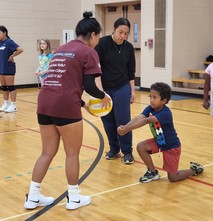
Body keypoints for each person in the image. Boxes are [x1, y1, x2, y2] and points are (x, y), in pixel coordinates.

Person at [24, 12, 111, 210]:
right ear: (92, 35)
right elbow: (90, 86)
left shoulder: (61, 49)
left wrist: (83, 105)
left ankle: (33, 197)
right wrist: (103, 96)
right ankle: (73, 198)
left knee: (47, 152)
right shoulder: (89, 52)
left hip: (44, 102)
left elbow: (60, 84)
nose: (98, 40)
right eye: (98, 36)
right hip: (65, 106)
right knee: (72, 154)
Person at [117, 82, 204, 183]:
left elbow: (145, 120)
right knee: (141, 147)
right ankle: (152, 172)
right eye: (151, 97)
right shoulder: (150, 108)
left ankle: (194, 169)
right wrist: (125, 126)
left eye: (155, 98)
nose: (151, 100)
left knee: (173, 178)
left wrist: (127, 129)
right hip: (159, 142)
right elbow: (139, 117)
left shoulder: (165, 113)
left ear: (164, 100)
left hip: (171, 147)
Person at [95, 17, 136, 164]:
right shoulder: (102, 44)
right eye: (120, 32)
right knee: (108, 121)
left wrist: (132, 91)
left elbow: (131, 71)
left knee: (123, 121)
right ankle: (114, 149)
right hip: (105, 89)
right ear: (114, 29)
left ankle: (127, 151)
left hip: (122, 88)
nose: (123, 36)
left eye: (126, 33)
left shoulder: (129, 47)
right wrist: (100, 93)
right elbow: (96, 71)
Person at [0, 26, 23, 113]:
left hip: (8, 67)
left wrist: (12, 56)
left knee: (10, 87)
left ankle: (13, 105)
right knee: (4, 87)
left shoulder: (9, 42)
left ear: (5, 33)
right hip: (1, 67)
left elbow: (20, 49)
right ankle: (5, 104)